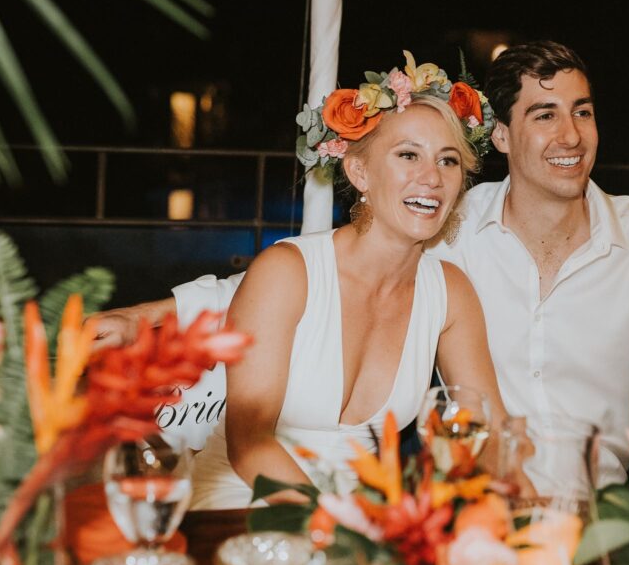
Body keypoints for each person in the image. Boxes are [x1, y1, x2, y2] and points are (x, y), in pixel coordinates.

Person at [96, 41, 629, 491]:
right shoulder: (446, 230)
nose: (570, 135)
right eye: (545, 115)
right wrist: (146, 316)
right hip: (265, 513)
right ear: (507, 137)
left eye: (582, 112)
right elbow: (271, 290)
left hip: (567, 508)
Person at [183, 56, 512, 509]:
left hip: (363, 522)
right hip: (246, 504)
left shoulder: (450, 294)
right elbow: (250, 444)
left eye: (448, 161)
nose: (432, 178)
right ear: (360, 173)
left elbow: (489, 431)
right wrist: (342, 529)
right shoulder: (286, 272)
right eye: (408, 155)